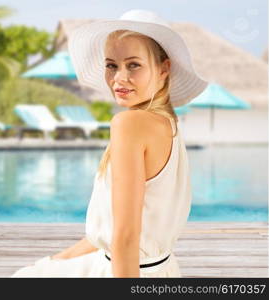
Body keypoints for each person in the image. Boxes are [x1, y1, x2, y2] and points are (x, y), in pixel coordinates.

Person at [11, 9, 208, 278]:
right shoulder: (168, 124)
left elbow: (126, 236)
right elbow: (110, 233)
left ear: (164, 68)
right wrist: (52, 263)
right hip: (160, 269)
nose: (119, 78)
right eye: (111, 65)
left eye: (134, 65)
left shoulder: (130, 125)